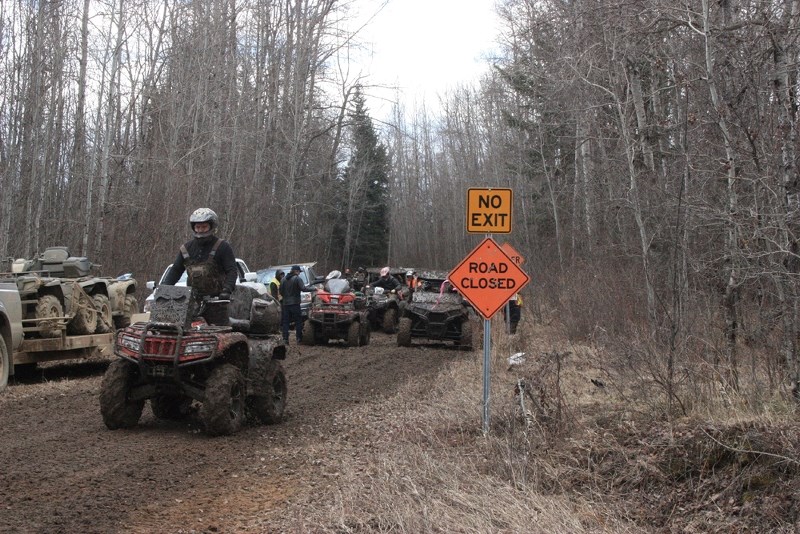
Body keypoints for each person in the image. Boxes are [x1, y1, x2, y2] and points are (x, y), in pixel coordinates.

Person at [161, 208, 237, 326]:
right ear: (193, 228)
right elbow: (175, 270)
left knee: (217, 334)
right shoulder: (186, 248)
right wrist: (164, 288)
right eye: (198, 227)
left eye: (204, 227)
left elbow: (232, 270)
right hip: (191, 302)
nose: (200, 230)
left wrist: (227, 290)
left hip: (217, 303)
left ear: (211, 227)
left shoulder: (223, 247)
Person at [280, 265, 316, 343]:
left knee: (285, 322)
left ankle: (285, 339)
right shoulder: (297, 279)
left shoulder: (283, 279)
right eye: (299, 272)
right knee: (298, 321)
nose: (299, 273)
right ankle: (299, 338)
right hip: (295, 303)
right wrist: (314, 288)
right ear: (296, 271)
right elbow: (304, 288)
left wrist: (286, 298)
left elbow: (281, 292)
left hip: (285, 304)